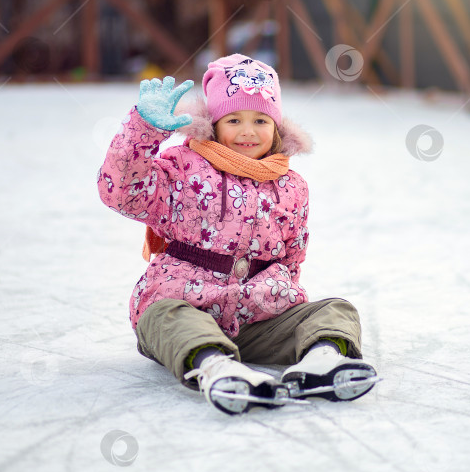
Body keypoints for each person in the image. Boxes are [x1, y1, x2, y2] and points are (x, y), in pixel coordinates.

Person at [97, 54, 379, 415]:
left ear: (276, 128)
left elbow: (293, 253)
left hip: (257, 315)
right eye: (234, 120)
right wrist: (143, 131)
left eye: (260, 120)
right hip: (186, 301)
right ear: (213, 125)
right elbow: (123, 190)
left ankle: (320, 362)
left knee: (335, 310)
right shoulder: (184, 167)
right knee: (162, 317)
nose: (248, 131)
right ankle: (215, 365)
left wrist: (285, 297)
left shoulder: (291, 185)